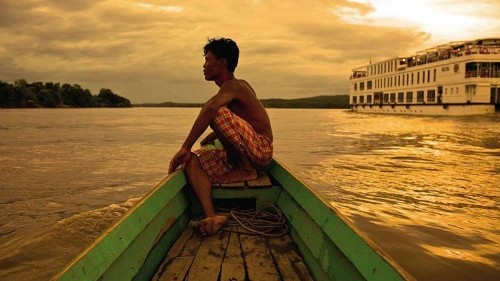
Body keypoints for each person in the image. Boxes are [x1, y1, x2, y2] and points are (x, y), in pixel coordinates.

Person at [168, 38, 273, 236]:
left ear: (222, 63)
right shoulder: (231, 90)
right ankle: (212, 216)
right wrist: (213, 134)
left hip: (261, 150)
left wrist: (185, 147)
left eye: (208, 60)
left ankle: (246, 170)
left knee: (214, 111)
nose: (204, 65)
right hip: (240, 153)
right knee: (191, 160)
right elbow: (244, 118)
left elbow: (210, 109)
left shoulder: (236, 86)